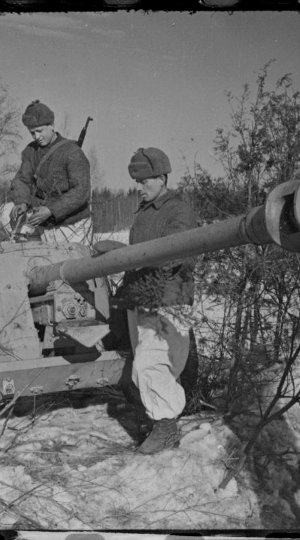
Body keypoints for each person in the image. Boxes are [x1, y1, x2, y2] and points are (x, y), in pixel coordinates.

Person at [114, 147, 197, 454]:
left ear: (162, 178)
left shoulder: (178, 211)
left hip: (169, 299)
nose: (139, 187)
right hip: (144, 297)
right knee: (149, 365)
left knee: (152, 364)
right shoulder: (145, 212)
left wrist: (136, 260)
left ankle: (166, 430)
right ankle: (160, 422)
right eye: (136, 181)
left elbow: (183, 252)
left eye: (144, 181)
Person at [0, 100, 91, 244]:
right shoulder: (30, 151)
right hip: (43, 218)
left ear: (52, 126)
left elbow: (81, 190)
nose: (36, 137)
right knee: (5, 212)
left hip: (71, 224)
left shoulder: (72, 152)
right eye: (32, 132)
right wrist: (22, 202)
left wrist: (51, 210)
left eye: (39, 131)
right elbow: (22, 180)